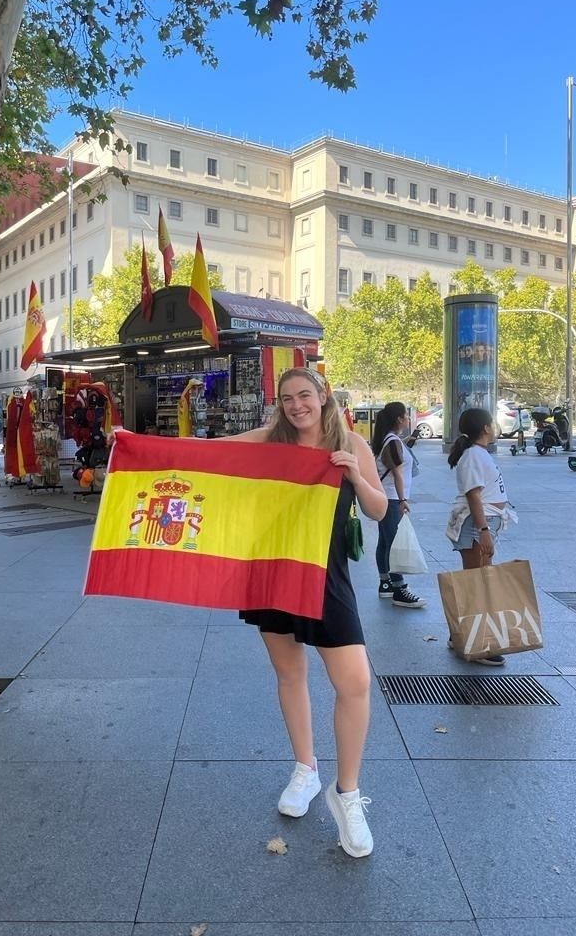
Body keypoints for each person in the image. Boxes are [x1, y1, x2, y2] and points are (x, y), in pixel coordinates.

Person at [221, 367, 387, 858]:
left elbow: (380, 510)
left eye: (304, 396)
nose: (296, 406)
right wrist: (135, 446)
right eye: (287, 398)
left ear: (323, 396)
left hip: (325, 576)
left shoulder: (351, 443)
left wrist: (355, 474)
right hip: (271, 569)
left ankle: (348, 794)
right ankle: (305, 770)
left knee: (354, 682)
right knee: (289, 673)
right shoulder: (270, 440)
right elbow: (213, 452)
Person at [445, 407, 518, 667]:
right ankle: (477, 643)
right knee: (477, 584)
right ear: (486, 428)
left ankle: (461, 635)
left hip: (485, 524)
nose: (495, 427)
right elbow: (473, 495)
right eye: (492, 423)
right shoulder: (474, 455)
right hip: (478, 526)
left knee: (476, 582)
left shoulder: (477, 454)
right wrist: (484, 530)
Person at [370, 402, 426, 608]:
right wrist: (403, 500)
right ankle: (399, 588)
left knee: (385, 541)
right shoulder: (392, 442)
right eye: (406, 416)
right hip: (392, 498)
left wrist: (407, 443)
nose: (408, 419)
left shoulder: (387, 440)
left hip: (384, 497)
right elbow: (398, 474)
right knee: (394, 543)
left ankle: (385, 583)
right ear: (399, 419)